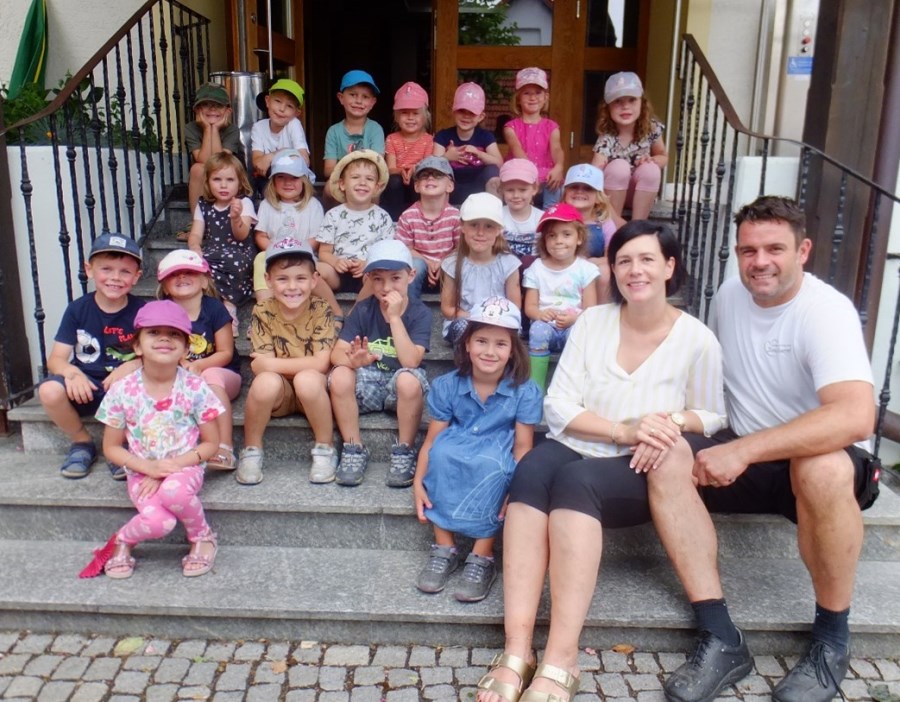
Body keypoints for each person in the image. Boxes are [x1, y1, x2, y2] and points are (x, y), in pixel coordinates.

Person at [476, 220, 726, 702]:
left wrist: (669, 421)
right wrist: (621, 428)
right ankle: (516, 650)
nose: (635, 270)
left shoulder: (696, 338)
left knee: (576, 483)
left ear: (670, 267)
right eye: (624, 260)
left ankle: (561, 656)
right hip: (589, 440)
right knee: (530, 470)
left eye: (648, 259)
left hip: (639, 463)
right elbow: (559, 406)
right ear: (611, 268)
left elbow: (714, 414)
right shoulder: (592, 322)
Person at [647, 196, 878, 702]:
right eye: (748, 250)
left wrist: (745, 450)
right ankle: (720, 636)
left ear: (804, 251)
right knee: (666, 456)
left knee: (821, 468)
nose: (760, 261)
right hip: (746, 453)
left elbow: (856, 416)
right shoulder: (730, 295)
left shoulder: (826, 311)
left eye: (775, 248)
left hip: (818, 461)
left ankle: (832, 639)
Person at [413, 296, 542, 603]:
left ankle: (482, 556)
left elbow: (523, 448)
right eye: (481, 341)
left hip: (497, 447)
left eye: (500, 344)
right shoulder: (447, 385)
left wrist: (518, 489)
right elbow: (431, 441)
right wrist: (418, 481)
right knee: (443, 454)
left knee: (494, 467)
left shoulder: (524, 390)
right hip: (457, 441)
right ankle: (445, 548)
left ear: (512, 351)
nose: (489, 351)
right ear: (467, 344)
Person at [88, 301, 224, 579]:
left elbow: (211, 444)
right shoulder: (122, 390)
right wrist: (148, 468)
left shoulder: (196, 387)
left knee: (174, 490)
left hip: (185, 467)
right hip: (141, 473)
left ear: (187, 349)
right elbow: (111, 447)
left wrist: (168, 467)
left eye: (174, 334)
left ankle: (202, 536)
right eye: (154, 332)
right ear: (137, 346)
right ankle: (122, 540)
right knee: (159, 522)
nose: (164, 338)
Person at [38, 233, 144, 480]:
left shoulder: (142, 311)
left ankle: (117, 448)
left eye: (125, 272)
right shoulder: (77, 309)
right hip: (84, 387)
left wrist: (134, 365)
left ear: (137, 277)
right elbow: (55, 359)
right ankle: (82, 442)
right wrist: (72, 373)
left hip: (123, 391)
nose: (115, 278)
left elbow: (155, 353)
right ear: (89, 270)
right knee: (49, 391)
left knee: (138, 386)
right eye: (106, 269)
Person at [328, 240, 433, 488]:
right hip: (368, 385)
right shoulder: (363, 310)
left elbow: (411, 360)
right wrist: (353, 361)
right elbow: (336, 355)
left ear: (411, 276)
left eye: (395, 278)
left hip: (401, 389)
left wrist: (395, 318)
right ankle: (353, 447)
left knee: (409, 379)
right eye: (377, 279)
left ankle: (405, 450)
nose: (386, 287)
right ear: (367, 280)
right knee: (340, 374)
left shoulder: (420, 313)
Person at [237, 238, 337, 486]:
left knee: (307, 379)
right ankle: (251, 450)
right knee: (264, 383)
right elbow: (261, 368)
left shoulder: (321, 309)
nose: (292, 287)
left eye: (300, 278)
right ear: (268, 280)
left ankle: (325, 448)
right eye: (282, 279)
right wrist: (268, 368)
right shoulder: (262, 310)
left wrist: (269, 366)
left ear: (314, 280)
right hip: (279, 394)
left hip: (312, 394)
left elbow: (321, 364)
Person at [156, 249, 241, 472]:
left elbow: (225, 353)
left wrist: (198, 366)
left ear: (204, 281)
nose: (182, 277)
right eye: (175, 274)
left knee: (209, 377)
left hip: (222, 375)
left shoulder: (214, 308)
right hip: (181, 378)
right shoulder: (162, 314)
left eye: (189, 273)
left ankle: (224, 447)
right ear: (165, 286)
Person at [251, 149, 342, 321]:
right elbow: (261, 236)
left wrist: (295, 252)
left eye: (294, 178)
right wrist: (276, 250)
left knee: (315, 270)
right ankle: (264, 314)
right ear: (272, 181)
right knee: (260, 259)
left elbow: (316, 238)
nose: (287, 183)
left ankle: (328, 313)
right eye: (281, 177)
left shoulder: (313, 205)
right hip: (274, 257)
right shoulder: (267, 205)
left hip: (305, 256)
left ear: (305, 181)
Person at [523, 203, 599, 392]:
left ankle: (571, 388)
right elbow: (530, 307)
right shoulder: (536, 268)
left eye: (566, 234)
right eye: (552, 235)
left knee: (581, 335)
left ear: (579, 238)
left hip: (573, 324)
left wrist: (575, 318)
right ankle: (536, 389)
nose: (558, 240)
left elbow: (591, 309)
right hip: (545, 326)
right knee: (537, 331)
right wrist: (540, 315)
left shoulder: (586, 270)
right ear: (544, 241)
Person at [186, 151, 258, 334]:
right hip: (213, 251)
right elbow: (195, 233)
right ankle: (211, 307)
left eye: (230, 180)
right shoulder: (204, 205)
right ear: (208, 182)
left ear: (240, 182)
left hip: (239, 252)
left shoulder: (244, 203)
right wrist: (195, 247)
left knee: (235, 263)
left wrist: (235, 218)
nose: (223, 185)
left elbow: (242, 235)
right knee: (200, 266)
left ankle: (230, 307)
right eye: (217, 179)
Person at [441, 192, 521, 345]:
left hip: (499, 321)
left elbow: (514, 307)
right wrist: (475, 317)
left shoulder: (509, 263)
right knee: (465, 329)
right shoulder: (452, 264)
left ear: (498, 230)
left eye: (489, 226)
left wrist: (491, 321)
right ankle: (466, 366)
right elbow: (447, 308)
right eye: (473, 225)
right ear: (463, 227)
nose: (480, 233)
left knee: (506, 333)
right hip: (465, 320)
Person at [591, 71, 668, 221]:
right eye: (618, 101)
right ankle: (613, 225)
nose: (625, 106)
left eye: (632, 100)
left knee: (651, 169)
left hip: (640, 193)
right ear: (608, 108)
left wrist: (652, 160)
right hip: (612, 194)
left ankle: (638, 226)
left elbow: (663, 156)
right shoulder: (607, 136)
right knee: (618, 166)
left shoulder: (651, 129)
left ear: (642, 103)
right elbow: (595, 168)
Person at [317, 149, 393, 295]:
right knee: (315, 271)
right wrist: (336, 262)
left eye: (370, 179)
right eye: (355, 177)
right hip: (337, 273)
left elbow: (385, 252)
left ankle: (356, 314)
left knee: (381, 275)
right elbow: (324, 252)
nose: (362, 183)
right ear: (342, 184)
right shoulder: (333, 215)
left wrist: (368, 264)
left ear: (377, 187)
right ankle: (335, 310)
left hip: (368, 274)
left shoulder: (382, 217)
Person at [181, 83, 243, 239]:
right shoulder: (191, 128)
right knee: (197, 168)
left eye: (218, 106)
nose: (212, 109)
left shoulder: (232, 130)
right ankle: (196, 224)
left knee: (212, 168)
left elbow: (219, 163)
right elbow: (203, 160)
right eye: (206, 105)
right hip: (204, 180)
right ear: (197, 110)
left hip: (226, 179)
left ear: (228, 111)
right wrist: (209, 129)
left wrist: (214, 128)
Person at [394, 156, 460, 300]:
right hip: (417, 273)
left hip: (447, 273)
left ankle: (455, 314)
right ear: (416, 186)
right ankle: (408, 311)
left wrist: (443, 262)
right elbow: (404, 248)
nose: (430, 178)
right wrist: (428, 262)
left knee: (458, 263)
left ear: (450, 186)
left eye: (438, 175)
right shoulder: (408, 216)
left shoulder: (455, 216)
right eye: (424, 176)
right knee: (413, 264)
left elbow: (460, 248)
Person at [562, 163, 624, 303]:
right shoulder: (557, 220)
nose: (579, 192)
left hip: (592, 271)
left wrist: (593, 262)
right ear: (565, 192)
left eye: (588, 188)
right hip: (562, 267)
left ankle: (600, 315)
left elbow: (613, 256)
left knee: (604, 271)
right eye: (574, 187)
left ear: (598, 197)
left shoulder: (604, 223)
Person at [503, 67, 565, 207]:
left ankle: (549, 215)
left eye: (538, 93)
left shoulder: (551, 126)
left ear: (545, 97)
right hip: (521, 175)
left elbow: (556, 149)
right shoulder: (511, 127)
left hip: (545, 177)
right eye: (527, 93)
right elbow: (518, 152)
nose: (532, 98)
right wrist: (530, 174)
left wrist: (559, 167)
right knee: (518, 182)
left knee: (555, 181)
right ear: (518, 98)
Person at [433, 82, 503, 204]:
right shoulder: (443, 136)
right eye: (462, 111)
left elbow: (499, 163)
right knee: (438, 171)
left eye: (472, 113)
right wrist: (447, 157)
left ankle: (494, 214)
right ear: (454, 111)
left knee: (493, 170)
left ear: (481, 117)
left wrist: (479, 154)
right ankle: (440, 216)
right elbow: (432, 165)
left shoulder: (486, 136)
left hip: (479, 186)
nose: (466, 116)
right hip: (451, 186)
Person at [323, 70, 385, 192]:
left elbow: (378, 165)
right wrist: (348, 178)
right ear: (341, 98)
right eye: (353, 95)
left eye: (365, 97)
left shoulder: (375, 129)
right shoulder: (333, 131)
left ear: (372, 103)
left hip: (367, 181)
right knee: (328, 189)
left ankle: (371, 212)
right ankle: (332, 212)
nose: (359, 101)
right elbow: (328, 170)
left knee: (376, 190)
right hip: (342, 181)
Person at [381, 81, 434, 219]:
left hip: (417, 179)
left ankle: (419, 217)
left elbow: (428, 165)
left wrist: (413, 169)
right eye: (404, 113)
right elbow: (390, 168)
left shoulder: (428, 140)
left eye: (415, 113)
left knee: (420, 178)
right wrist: (403, 170)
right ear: (397, 117)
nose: (410, 118)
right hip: (397, 183)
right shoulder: (392, 139)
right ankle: (394, 219)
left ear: (425, 116)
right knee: (394, 181)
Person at [250, 79, 311, 196]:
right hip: (270, 180)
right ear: (267, 101)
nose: (282, 109)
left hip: (293, 178)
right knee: (259, 183)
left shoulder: (293, 124)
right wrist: (287, 154)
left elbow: (304, 160)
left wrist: (272, 156)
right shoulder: (258, 127)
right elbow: (258, 164)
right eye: (277, 101)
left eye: (289, 106)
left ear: (296, 113)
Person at [499, 158, 543, 264]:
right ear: (501, 190)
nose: (516, 196)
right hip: (503, 267)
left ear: (534, 189)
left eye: (523, 190)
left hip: (533, 269)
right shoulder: (497, 215)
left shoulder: (541, 218)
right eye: (510, 190)